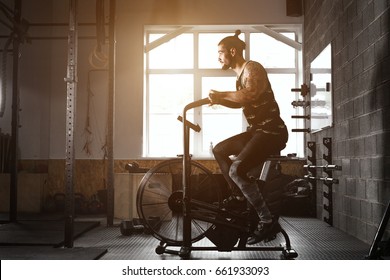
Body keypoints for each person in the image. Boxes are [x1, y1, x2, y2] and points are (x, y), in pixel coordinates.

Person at [208, 30, 288, 244]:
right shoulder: (239, 77)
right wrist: (218, 100)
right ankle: (238, 195)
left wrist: (221, 95)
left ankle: (266, 219)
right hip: (257, 131)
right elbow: (239, 101)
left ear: (232, 51)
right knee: (219, 150)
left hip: (272, 132)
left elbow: (251, 94)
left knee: (236, 169)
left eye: (221, 52)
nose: (218, 57)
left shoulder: (253, 68)